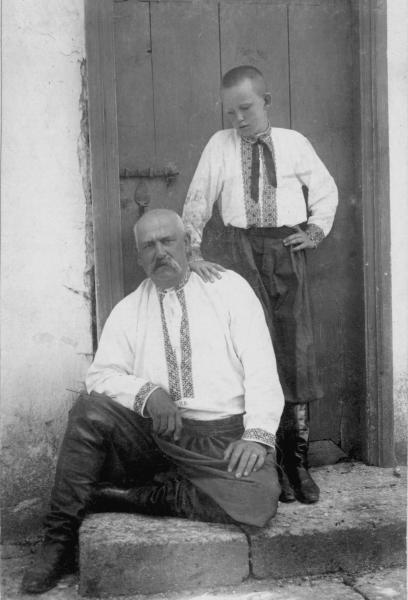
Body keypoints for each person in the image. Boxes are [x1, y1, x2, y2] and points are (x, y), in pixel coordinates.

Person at [22, 208, 284, 594]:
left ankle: (127, 497)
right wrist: (147, 394)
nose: (160, 252)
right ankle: (58, 541)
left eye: (168, 241)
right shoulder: (129, 310)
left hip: (222, 440)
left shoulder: (229, 289)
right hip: (162, 438)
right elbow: (100, 375)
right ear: (139, 257)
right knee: (89, 410)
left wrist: (257, 435)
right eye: (149, 246)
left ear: (188, 244)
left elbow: (262, 367)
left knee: (259, 500)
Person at [182, 65, 338, 505]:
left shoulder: (294, 143)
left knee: (295, 350)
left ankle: (297, 462)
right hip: (241, 254)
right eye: (230, 111)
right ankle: (270, 463)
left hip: (286, 252)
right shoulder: (220, 145)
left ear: (266, 102)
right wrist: (193, 251)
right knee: (252, 350)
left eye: (246, 108)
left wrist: (314, 231)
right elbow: (198, 198)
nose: (238, 119)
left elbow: (325, 190)